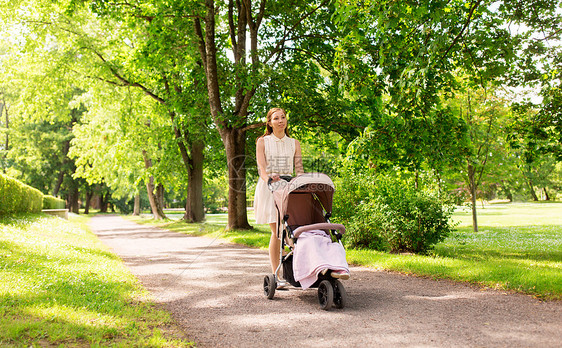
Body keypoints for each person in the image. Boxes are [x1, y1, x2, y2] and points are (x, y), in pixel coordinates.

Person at [254, 107, 304, 276]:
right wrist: (269, 179)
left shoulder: (294, 143)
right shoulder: (262, 142)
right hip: (270, 188)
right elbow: (262, 169)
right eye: (276, 118)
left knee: (293, 229)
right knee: (276, 232)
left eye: (283, 117)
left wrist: (302, 185)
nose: (281, 120)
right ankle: (276, 273)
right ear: (269, 122)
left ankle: (297, 270)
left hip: (289, 186)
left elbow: (299, 169)